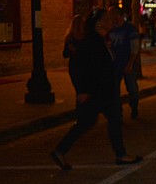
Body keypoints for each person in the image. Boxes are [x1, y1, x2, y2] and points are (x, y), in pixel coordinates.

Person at [49, 9, 143, 170]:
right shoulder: (92, 41)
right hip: (97, 92)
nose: (111, 20)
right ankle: (121, 155)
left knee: (90, 121)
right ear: (99, 23)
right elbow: (80, 66)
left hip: (102, 90)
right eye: (107, 18)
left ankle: (60, 150)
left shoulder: (101, 40)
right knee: (110, 119)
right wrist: (82, 90)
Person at [107, 7, 141, 119]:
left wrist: (130, 63)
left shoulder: (129, 29)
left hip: (127, 62)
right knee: (114, 89)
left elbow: (134, 48)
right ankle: (118, 111)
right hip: (115, 64)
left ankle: (134, 105)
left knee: (131, 88)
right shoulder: (110, 30)